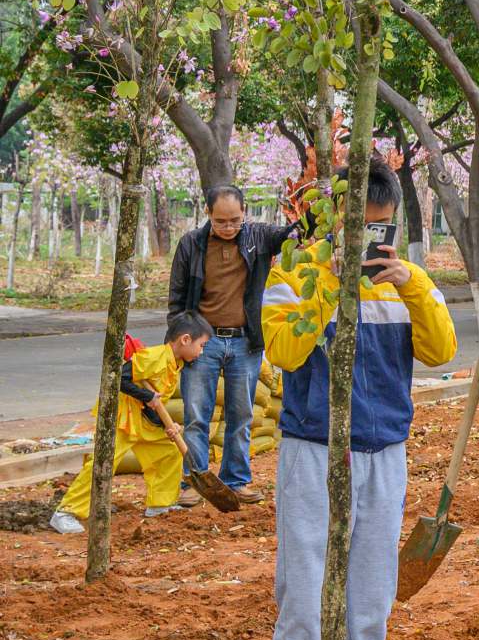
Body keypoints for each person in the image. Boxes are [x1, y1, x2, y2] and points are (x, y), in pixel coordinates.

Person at [260, 161, 458, 640]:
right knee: (305, 590)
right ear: (329, 217)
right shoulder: (292, 269)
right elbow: (284, 350)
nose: (370, 242)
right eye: (359, 228)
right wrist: (327, 284)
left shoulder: (404, 280)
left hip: (384, 449)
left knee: (371, 590)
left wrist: (413, 285)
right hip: (314, 450)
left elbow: (441, 351)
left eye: (380, 229)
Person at [167, 186, 296, 506]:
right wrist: (182, 339)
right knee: (197, 415)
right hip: (204, 343)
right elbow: (177, 299)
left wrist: (314, 201)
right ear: (208, 214)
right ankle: (194, 481)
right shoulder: (191, 245)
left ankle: (236, 479)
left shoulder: (258, 237)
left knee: (241, 415)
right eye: (221, 221)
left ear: (245, 214)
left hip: (245, 341)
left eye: (235, 221)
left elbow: (293, 232)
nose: (228, 228)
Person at [49, 312, 213, 534]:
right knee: (105, 462)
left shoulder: (176, 364)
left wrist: (166, 425)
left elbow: (155, 403)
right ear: (185, 339)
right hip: (122, 419)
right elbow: (120, 378)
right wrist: (148, 397)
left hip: (142, 420)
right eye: (201, 345)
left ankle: (160, 505)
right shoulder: (153, 357)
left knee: (168, 453)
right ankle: (65, 513)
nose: (201, 351)